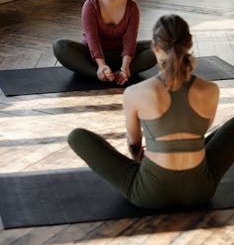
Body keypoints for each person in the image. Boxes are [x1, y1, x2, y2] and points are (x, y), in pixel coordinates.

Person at [67, 14, 234, 209]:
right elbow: (199, 135)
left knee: (76, 136)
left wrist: (140, 159)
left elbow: (134, 145)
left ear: (154, 47)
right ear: (189, 44)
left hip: (151, 194)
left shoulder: (135, 92)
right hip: (200, 191)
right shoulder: (211, 90)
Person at [53, 0, 156, 85]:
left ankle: (122, 73)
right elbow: (93, 39)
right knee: (60, 46)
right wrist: (101, 65)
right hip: (92, 57)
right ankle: (99, 73)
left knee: (160, 47)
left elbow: (130, 40)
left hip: (120, 55)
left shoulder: (132, 7)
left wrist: (125, 65)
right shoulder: (90, 5)